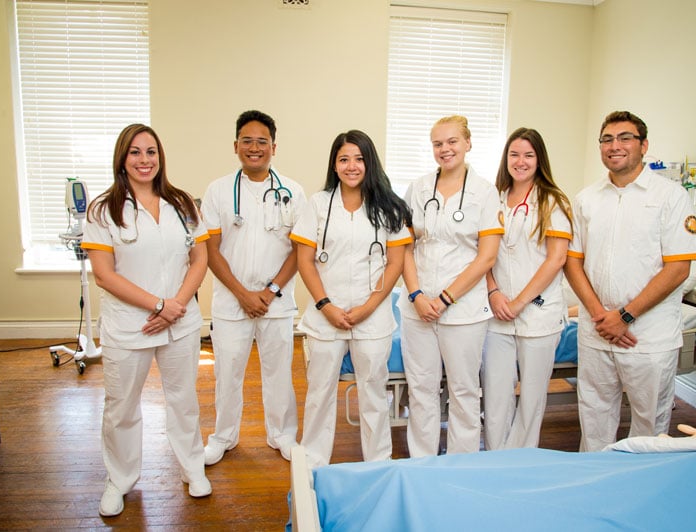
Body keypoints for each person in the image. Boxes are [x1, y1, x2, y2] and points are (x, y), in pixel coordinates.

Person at [81, 124, 211, 517]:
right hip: (129, 326)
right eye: (135, 152)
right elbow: (104, 274)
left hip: (180, 321)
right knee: (121, 407)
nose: (144, 160)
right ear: (123, 158)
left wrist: (176, 305)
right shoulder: (103, 210)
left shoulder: (183, 203)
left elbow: (200, 258)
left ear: (160, 157)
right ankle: (119, 480)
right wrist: (159, 305)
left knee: (183, 399)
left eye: (151, 152)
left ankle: (192, 468)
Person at [564, 111, 696, 452]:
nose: (615, 146)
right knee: (594, 418)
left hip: (648, 336)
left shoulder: (670, 197)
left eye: (625, 138)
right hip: (597, 331)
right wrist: (602, 315)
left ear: (644, 146)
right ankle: (594, 482)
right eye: (607, 139)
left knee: (649, 427)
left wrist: (624, 316)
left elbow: (678, 270)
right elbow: (573, 262)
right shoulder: (587, 199)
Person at [290, 130, 411, 469]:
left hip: (372, 318)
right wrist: (325, 306)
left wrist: (368, 307)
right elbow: (305, 260)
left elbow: (396, 262)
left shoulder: (389, 207)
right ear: (334, 163)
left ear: (369, 162)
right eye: (344, 159)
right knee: (319, 394)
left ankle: (378, 462)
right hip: (325, 317)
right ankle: (313, 464)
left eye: (359, 158)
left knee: (373, 393)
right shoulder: (318, 203)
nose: (351, 166)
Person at [200, 110, 305, 464]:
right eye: (247, 140)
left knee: (279, 373)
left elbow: (299, 250)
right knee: (227, 372)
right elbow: (210, 251)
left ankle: (282, 435)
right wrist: (243, 294)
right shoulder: (217, 191)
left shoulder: (293, 191)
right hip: (231, 302)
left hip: (277, 301)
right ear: (235, 145)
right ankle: (223, 437)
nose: (255, 147)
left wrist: (271, 291)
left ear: (274, 147)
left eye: (262, 142)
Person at [398, 115, 503, 457]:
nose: (445, 149)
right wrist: (415, 295)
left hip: (464, 311)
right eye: (438, 144)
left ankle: (462, 464)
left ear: (468, 143)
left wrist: (444, 298)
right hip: (418, 310)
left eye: (452, 142)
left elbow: (486, 258)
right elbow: (404, 246)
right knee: (422, 388)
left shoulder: (485, 193)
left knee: (464, 391)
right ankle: (423, 461)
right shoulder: (418, 188)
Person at [481, 127, 573, 450]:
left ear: (539, 160)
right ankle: (494, 460)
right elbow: (484, 256)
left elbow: (556, 258)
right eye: (514, 154)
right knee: (494, 397)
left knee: (531, 400)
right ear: (506, 159)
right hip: (497, 313)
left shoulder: (553, 201)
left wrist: (518, 302)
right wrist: (493, 293)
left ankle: (518, 462)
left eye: (528, 155)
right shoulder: (492, 199)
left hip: (537, 314)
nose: (520, 162)